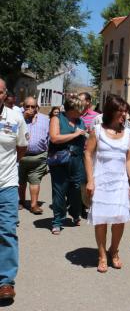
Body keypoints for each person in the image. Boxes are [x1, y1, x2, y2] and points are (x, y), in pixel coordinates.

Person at [84, 94, 130, 273]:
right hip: (101, 181)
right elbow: (88, 154)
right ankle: (101, 254)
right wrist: (90, 180)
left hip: (120, 182)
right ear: (111, 112)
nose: (124, 114)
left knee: (120, 220)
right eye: (120, 111)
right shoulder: (97, 130)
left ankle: (114, 251)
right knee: (101, 220)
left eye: (125, 111)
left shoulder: (127, 132)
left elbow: (128, 158)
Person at [0, 78, 28, 301]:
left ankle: (6, 281)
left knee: (7, 231)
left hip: (7, 184)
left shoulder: (15, 117)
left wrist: (9, 168)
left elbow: (21, 148)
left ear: (5, 94)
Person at [48, 96, 87, 234]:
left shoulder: (80, 121)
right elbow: (54, 138)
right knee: (59, 191)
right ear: (72, 109)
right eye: (80, 109)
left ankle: (75, 213)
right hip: (60, 160)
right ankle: (57, 221)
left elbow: (83, 140)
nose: (82, 112)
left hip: (77, 161)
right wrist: (76, 134)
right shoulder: (57, 119)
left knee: (76, 189)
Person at [18, 97, 49, 214]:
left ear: (37, 107)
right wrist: (23, 118)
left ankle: (34, 205)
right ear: (23, 107)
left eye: (33, 107)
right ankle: (21, 201)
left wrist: (48, 157)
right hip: (20, 156)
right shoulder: (17, 117)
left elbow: (49, 138)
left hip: (39, 156)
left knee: (35, 181)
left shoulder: (45, 119)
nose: (30, 109)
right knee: (21, 181)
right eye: (27, 106)